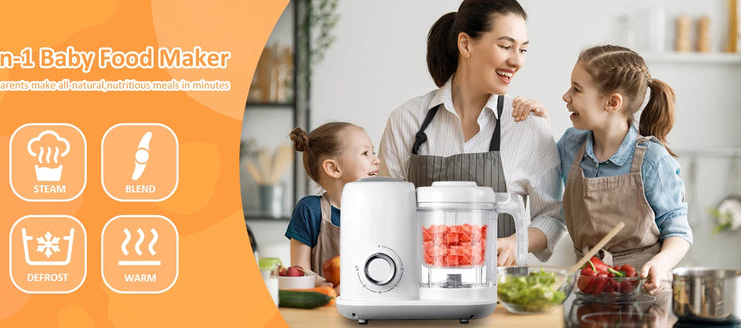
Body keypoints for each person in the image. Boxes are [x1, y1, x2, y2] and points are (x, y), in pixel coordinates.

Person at [379, 0, 564, 266]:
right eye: (505, 46)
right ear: (465, 45)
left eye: (522, 49)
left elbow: (552, 217)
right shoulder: (406, 120)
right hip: (421, 290)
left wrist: (515, 243)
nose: (516, 61)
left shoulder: (530, 127)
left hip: (499, 295)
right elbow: (388, 212)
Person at [557, 45, 692, 295]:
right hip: (586, 289)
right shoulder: (569, 145)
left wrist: (661, 264)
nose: (566, 96)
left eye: (576, 89)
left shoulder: (652, 159)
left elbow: (678, 229)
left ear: (612, 102)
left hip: (642, 294)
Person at [285, 122, 380, 289]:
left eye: (374, 152)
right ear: (333, 168)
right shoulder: (310, 210)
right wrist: (326, 285)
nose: (376, 160)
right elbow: (299, 270)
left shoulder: (377, 212)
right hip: (323, 305)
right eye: (365, 153)